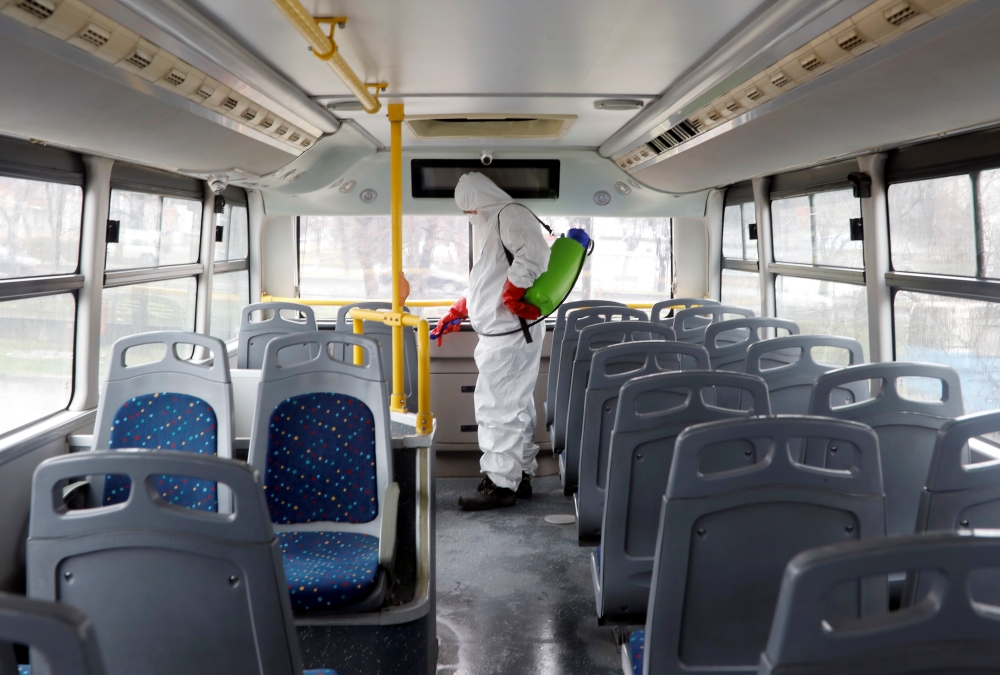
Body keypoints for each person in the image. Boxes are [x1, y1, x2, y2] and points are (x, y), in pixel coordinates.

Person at [432, 173, 551, 510]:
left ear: (479, 201)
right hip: (505, 332)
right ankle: (519, 474)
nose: (469, 216)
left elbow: (535, 254)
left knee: (496, 407)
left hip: (510, 332)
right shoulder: (493, 224)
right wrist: (460, 308)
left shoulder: (510, 214)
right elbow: (488, 279)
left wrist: (513, 291)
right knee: (515, 405)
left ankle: (500, 485)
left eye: (469, 209)